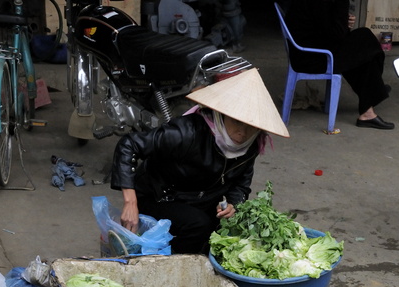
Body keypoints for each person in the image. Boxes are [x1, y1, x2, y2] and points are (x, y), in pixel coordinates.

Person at [110, 68, 289, 254]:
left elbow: (241, 184)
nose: (243, 133)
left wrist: (233, 205)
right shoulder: (187, 132)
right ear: (221, 114)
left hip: (202, 198)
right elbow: (129, 144)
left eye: (251, 127)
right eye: (237, 122)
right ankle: (173, 265)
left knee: (236, 229)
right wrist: (130, 201)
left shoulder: (250, 146)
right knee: (198, 226)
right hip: (159, 196)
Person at [285, 0, 394, 130]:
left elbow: (324, 24)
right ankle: (372, 98)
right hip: (313, 57)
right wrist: (343, 23)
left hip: (306, 51)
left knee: (363, 43)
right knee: (366, 44)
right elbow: (337, 35)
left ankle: (373, 93)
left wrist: (342, 21)